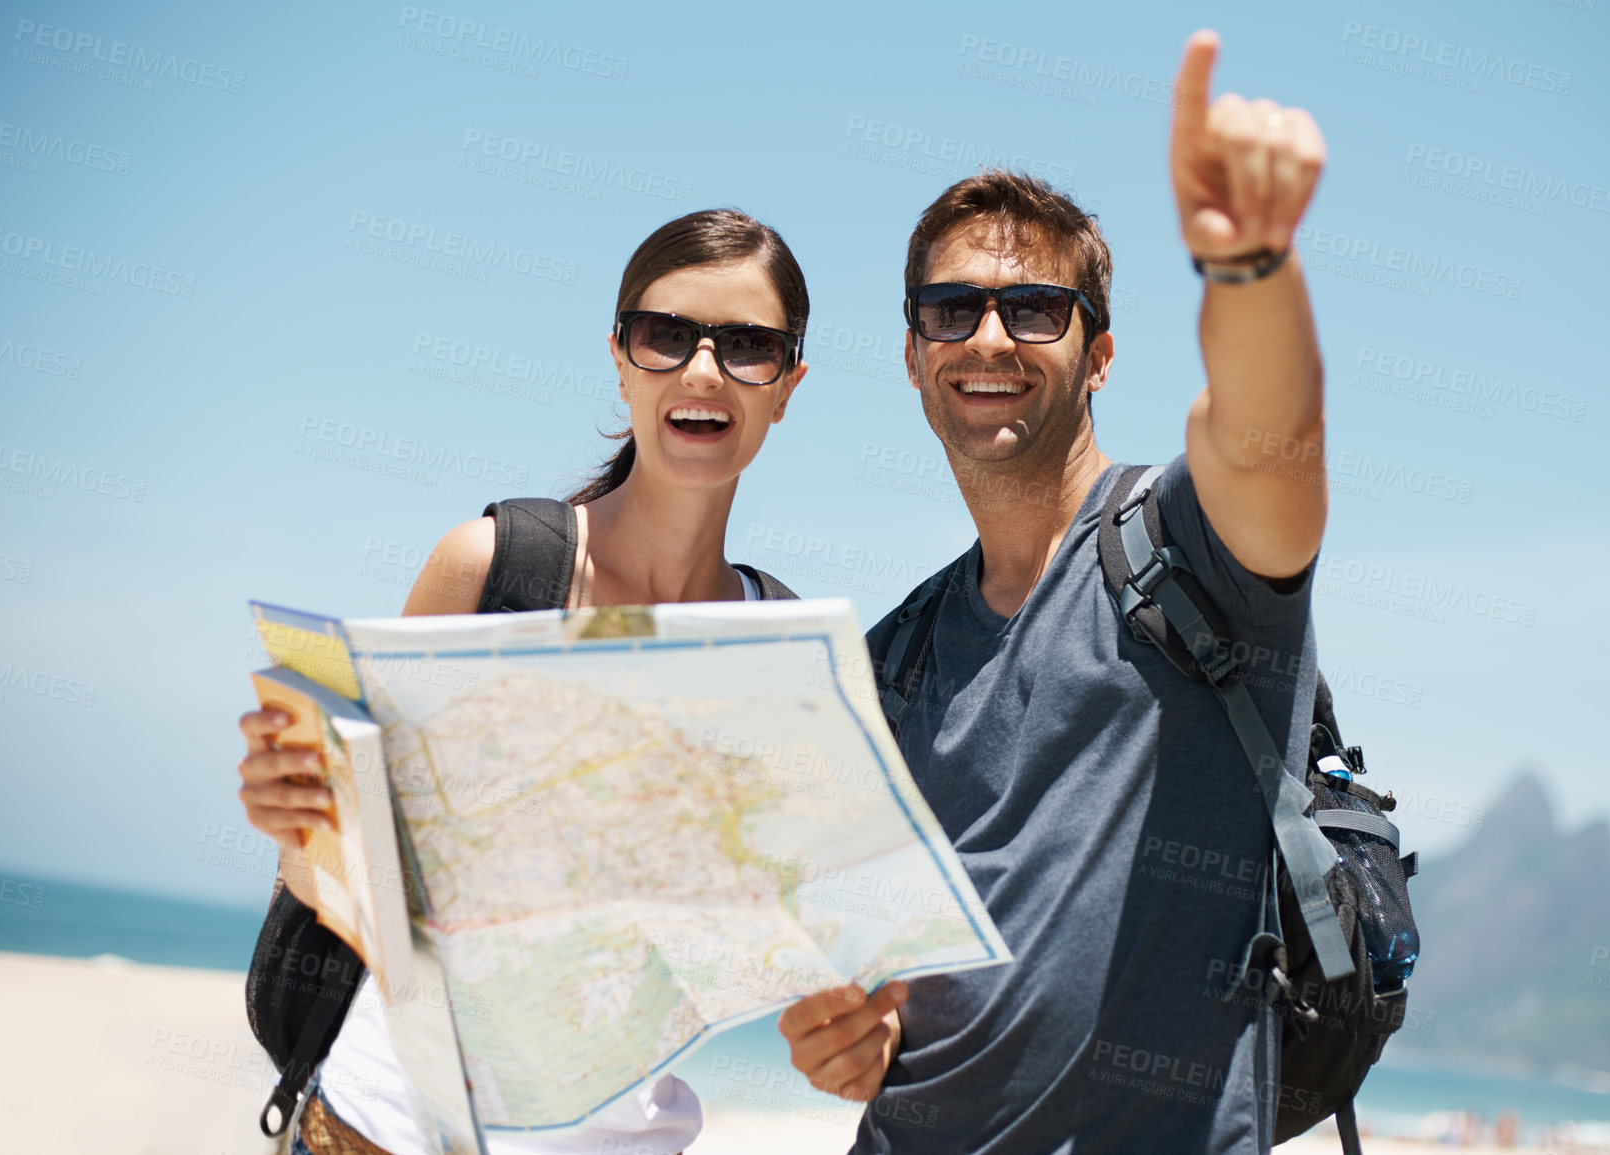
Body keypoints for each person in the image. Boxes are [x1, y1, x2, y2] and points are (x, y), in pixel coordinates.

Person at [778, 30, 1335, 1154]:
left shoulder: (1194, 547)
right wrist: (840, 1033)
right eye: (951, 310)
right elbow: (879, 983)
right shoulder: (894, 657)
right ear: (911, 355)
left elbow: (1269, 435)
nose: (990, 337)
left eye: (1035, 308)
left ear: (1102, 354)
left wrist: (1249, 268)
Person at [236, 208, 811, 1155]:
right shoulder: (492, 568)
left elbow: (733, 961)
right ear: (621, 360)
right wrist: (294, 818)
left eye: (747, 345)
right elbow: (330, 874)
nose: (702, 371)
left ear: (786, 385)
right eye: (666, 336)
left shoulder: (779, 648)